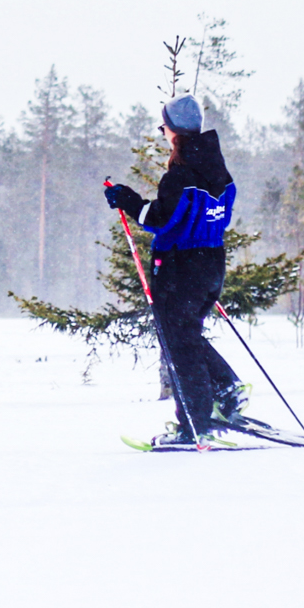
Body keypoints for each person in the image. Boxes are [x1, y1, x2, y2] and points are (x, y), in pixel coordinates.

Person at [103, 94, 251, 446]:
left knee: (179, 345)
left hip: (181, 269)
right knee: (186, 337)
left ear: (175, 130)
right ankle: (227, 389)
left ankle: (194, 425)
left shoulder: (181, 175)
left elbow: (160, 220)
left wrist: (127, 200)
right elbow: (215, 217)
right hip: (210, 265)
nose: (163, 132)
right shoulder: (218, 171)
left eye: (164, 127)